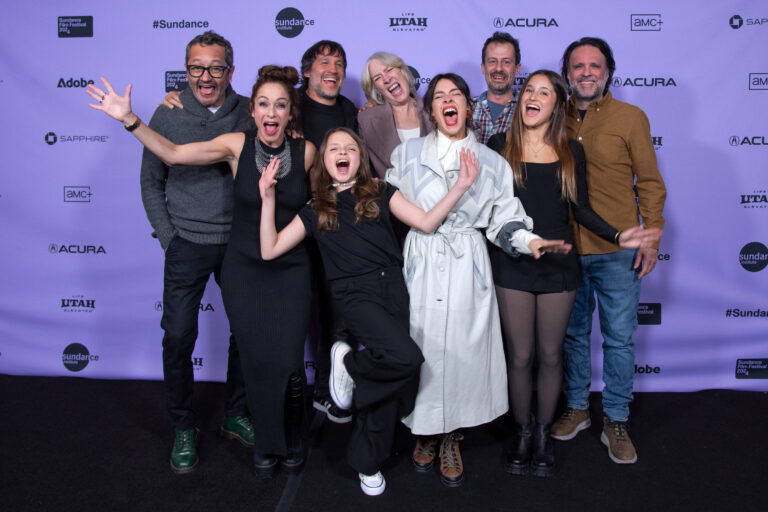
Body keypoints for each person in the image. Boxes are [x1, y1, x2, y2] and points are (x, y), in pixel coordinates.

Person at [87, 65, 316, 477]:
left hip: (290, 267)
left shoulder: (307, 151)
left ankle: (289, 437)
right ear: (253, 110)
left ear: (289, 113)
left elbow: (326, 204)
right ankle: (255, 439)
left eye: (280, 105)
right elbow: (174, 154)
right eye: (263, 103)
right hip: (244, 265)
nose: (271, 111)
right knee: (247, 355)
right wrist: (130, 119)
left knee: (287, 361)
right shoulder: (235, 144)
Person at [259, 127, 478, 495]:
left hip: (393, 289)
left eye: (350, 148)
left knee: (394, 387)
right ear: (325, 161)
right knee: (406, 358)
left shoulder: (380, 191)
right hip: (353, 295)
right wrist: (267, 198)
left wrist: (460, 186)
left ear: (359, 158)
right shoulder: (315, 209)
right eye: (334, 149)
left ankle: (366, 462)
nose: (342, 153)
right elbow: (270, 248)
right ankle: (348, 367)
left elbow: (425, 222)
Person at [385, 73, 571, 487]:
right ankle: (425, 431)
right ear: (431, 111)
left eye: (456, 95)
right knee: (423, 346)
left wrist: (529, 240)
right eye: (439, 97)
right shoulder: (409, 154)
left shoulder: (492, 162)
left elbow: (503, 219)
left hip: (468, 261)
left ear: (469, 107)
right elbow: (390, 200)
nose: (448, 102)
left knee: (462, 352)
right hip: (422, 259)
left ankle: (452, 435)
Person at [487, 70, 661, 477]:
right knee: (521, 355)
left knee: (551, 353)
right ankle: (523, 432)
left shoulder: (570, 151)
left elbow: (580, 209)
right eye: (528, 89)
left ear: (555, 105)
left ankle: (545, 434)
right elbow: (489, 212)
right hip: (513, 260)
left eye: (544, 92)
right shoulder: (498, 146)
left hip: (559, 262)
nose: (533, 96)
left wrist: (619, 234)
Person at [138, 30, 252, 474]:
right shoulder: (167, 112)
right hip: (186, 242)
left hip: (239, 241)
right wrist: (168, 235)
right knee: (179, 336)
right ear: (185, 70)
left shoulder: (249, 110)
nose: (205, 77)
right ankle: (184, 426)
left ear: (230, 71)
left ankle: (235, 414)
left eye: (215, 67)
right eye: (196, 67)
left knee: (244, 331)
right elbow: (151, 181)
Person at [551, 37, 667, 464]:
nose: (586, 73)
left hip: (618, 251)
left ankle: (615, 418)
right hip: (565, 249)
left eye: (594, 66)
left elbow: (650, 183)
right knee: (573, 335)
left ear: (608, 72)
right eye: (578, 66)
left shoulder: (631, 117)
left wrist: (651, 236)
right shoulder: (550, 115)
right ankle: (578, 407)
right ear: (567, 73)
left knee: (618, 340)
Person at [298, 40, 359, 424]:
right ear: (307, 71)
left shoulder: (349, 110)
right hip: (297, 225)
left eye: (339, 63)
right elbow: (246, 105)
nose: (333, 69)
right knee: (304, 311)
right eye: (325, 62)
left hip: (338, 226)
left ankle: (331, 390)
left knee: (337, 308)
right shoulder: (289, 105)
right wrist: (177, 97)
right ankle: (309, 394)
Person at [358, 51, 432, 178]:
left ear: (402, 71)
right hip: (392, 195)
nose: (386, 79)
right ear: (376, 88)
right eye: (378, 78)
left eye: (389, 70)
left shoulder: (433, 108)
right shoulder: (367, 120)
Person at [471, 32, 522, 144]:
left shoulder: (526, 111)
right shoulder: (467, 107)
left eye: (506, 62)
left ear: (517, 68)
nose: (499, 68)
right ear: (483, 68)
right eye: (492, 61)